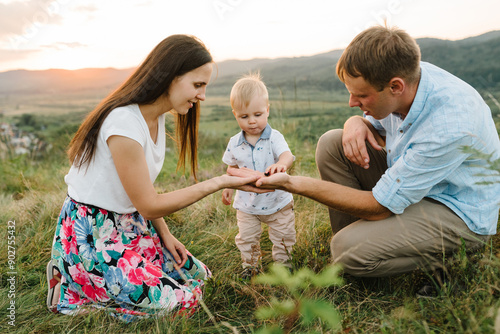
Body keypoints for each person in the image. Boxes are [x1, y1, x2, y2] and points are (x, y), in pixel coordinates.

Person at [230, 26, 500, 296]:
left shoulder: (449, 123)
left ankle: (444, 259)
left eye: (361, 96)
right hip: (419, 184)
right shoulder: (406, 77)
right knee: (332, 144)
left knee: (347, 251)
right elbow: (375, 122)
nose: (351, 102)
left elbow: (379, 206)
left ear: (396, 86)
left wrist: (292, 183)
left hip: (456, 211)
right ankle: (364, 246)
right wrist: (356, 121)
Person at [46, 34, 263, 321]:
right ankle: (68, 286)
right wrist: (219, 182)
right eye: (197, 85)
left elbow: (142, 191)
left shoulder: (155, 117)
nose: (202, 96)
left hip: (131, 224)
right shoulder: (123, 123)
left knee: (200, 277)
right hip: (93, 234)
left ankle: (89, 284)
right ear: (171, 77)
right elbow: (148, 204)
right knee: (183, 301)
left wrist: (165, 234)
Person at [221, 73, 296, 278]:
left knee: (283, 236)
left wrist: (281, 164)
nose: (252, 121)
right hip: (247, 204)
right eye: (244, 117)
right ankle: (251, 268)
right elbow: (231, 167)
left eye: (258, 114)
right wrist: (228, 187)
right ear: (235, 114)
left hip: (277, 201)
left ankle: (284, 268)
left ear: (267, 110)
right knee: (246, 238)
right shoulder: (234, 142)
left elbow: (287, 155)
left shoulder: (274, 137)